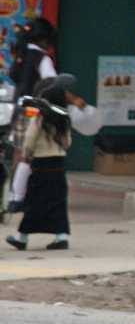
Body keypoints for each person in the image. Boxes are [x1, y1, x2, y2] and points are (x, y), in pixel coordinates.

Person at [8, 18, 85, 212]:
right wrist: (74, 99)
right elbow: (53, 86)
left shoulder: (22, 55)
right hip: (35, 111)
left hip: (18, 109)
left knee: (20, 153)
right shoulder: (42, 59)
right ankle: (19, 198)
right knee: (32, 155)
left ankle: (14, 197)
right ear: (44, 39)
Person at [6, 78, 72, 252]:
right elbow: (68, 142)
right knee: (58, 201)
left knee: (35, 202)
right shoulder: (64, 118)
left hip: (41, 164)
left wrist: (27, 154)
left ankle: (22, 237)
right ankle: (61, 237)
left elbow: (29, 138)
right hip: (58, 164)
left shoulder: (40, 117)